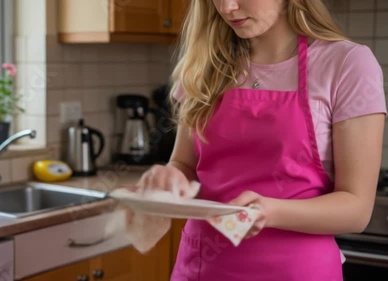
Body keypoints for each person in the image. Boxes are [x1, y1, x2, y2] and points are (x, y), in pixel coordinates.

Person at [134, 0, 387, 280]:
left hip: (297, 271)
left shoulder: (346, 64)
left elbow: (357, 209)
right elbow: (184, 163)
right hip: (200, 268)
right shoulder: (205, 64)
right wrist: (170, 179)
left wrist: (269, 211)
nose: (227, 7)